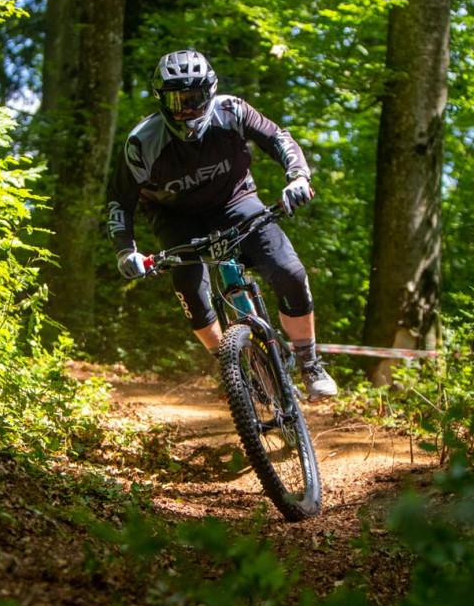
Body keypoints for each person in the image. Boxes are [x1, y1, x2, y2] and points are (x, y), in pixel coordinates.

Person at [105, 49, 337, 402]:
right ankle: (232, 367)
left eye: (195, 99)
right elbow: (120, 200)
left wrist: (298, 177)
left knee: (289, 272)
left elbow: (278, 138)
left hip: (235, 200)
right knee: (189, 286)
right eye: (177, 101)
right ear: (161, 101)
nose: (187, 110)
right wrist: (126, 251)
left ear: (210, 92)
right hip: (175, 216)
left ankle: (310, 363)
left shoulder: (232, 111)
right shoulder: (142, 142)